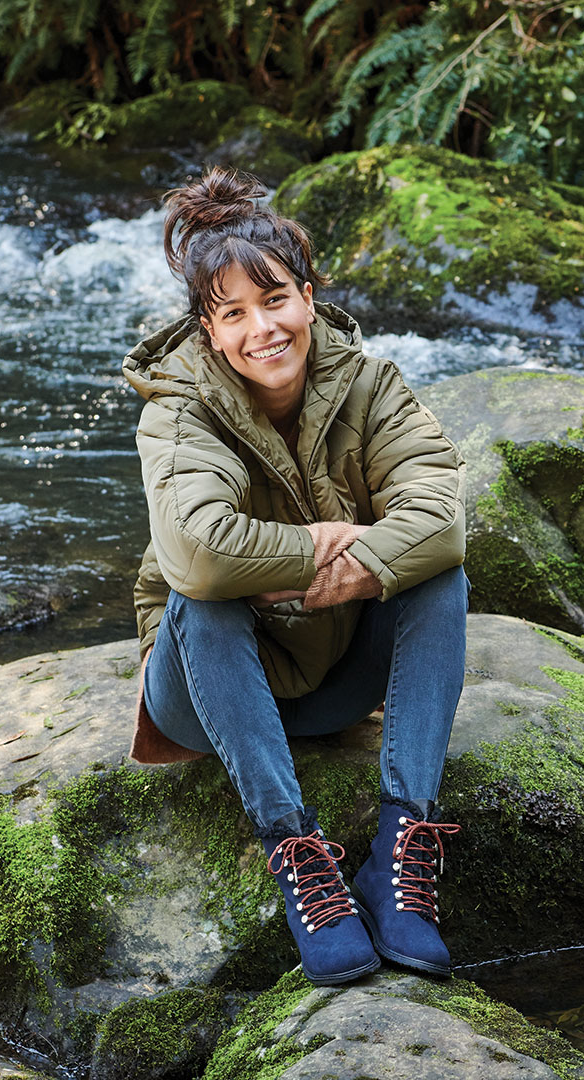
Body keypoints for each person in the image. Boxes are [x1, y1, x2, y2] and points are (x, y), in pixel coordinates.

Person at [122, 166, 469, 987]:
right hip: (205, 695)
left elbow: (444, 517)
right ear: (208, 332)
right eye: (233, 314)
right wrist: (328, 547)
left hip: (335, 679)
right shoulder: (177, 409)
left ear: (308, 297)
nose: (261, 330)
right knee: (201, 598)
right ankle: (299, 856)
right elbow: (203, 552)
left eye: (274, 300)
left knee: (438, 575)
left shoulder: (372, 384)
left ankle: (399, 851)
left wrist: (375, 567)